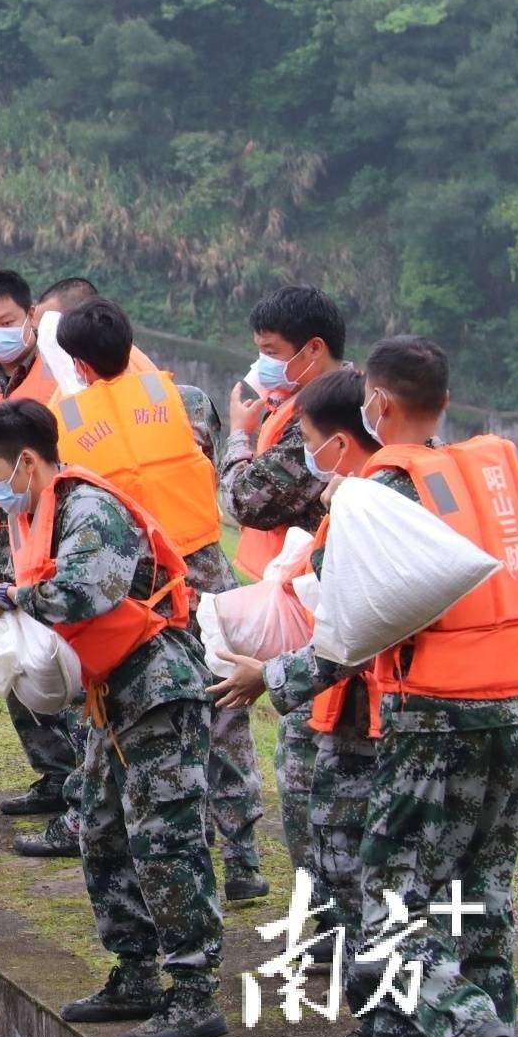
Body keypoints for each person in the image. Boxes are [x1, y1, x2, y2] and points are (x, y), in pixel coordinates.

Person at [215, 340, 518, 1037]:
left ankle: (461, 1023)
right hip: (509, 705)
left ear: (378, 402)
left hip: (433, 716)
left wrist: (270, 675)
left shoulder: (382, 490)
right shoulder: (480, 473)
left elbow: (348, 630)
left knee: (390, 894)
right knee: (480, 891)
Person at [0, 400, 227, 1037]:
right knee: (103, 832)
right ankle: (136, 972)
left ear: (26, 460)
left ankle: (195, 993)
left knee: (167, 840)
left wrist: (8, 598)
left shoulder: (89, 508)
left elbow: (90, 592)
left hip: (158, 688)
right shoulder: (43, 511)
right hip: (111, 697)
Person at [205, 367, 423, 1037]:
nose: (303, 458)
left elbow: (351, 632)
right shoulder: (421, 480)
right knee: (393, 866)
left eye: (305, 442)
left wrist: (267, 674)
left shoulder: (370, 503)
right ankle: (413, 1008)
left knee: (364, 862)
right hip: (413, 710)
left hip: (372, 713)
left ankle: (396, 1016)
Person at [52, 300, 266, 898]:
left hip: (144, 591)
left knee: (155, 717)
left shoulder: (62, 421)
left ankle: (178, 849)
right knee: (227, 712)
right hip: (209, 576)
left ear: (78, 365)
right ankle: (245, 860)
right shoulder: (188, 399)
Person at [217, 285, 347, 920]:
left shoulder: (321, 422)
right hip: (302, 609)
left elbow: (246, 500)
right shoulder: (307, 406)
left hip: (320, 624)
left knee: (306, 772)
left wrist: (243, 438)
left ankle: (329, 919)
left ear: (313, 351)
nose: (262, 364)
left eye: (272, 352)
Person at [0, 271, 78, 825]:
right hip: (0, 531)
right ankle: (52, 774)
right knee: (15, 655)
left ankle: (83, 779)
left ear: (31, 317)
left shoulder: (61, 369)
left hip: (52, 522)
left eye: (7, 323)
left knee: (60, 652)